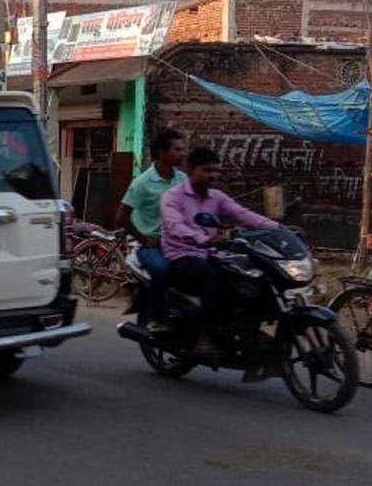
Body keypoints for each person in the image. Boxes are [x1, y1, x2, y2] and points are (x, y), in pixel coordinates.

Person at [160, 147, 278, 352]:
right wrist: (204, 239)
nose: (212, 176)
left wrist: (279, 229)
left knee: (256, 275)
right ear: (190, 170)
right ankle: (205, 335)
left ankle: (247, 327)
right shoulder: (172, 197)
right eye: (206, 170)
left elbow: (243, 215)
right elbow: (175, 226)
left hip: (213, 254)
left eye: (216, 171)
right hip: (182, 254)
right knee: (215, 279)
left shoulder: (216, 197)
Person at [117, 128, 188, 330]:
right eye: (177, 150)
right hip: (151, 245)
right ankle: (157, 317)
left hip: (179, 241)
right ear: (161, 152)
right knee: (161, 269)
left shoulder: (182, 180)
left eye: (183, 150)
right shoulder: (142, 183)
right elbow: (121, 216)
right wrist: (143, 237)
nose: (182, 154)